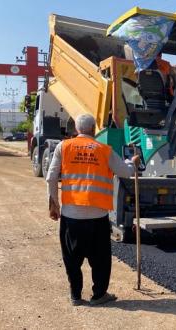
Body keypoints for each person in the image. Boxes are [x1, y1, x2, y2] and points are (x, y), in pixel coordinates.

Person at [46, 114, 139, 306]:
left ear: (77, 130)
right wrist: (133, 162)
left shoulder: (63, 147)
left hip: (71, 215)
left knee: (72, 258)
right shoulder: (104, 150)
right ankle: (99, 295)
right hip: (98, 216)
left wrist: (54, 204)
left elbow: (51, 178)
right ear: (94, 130)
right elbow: (125, 172)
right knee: (101, 260)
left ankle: (75, 296)